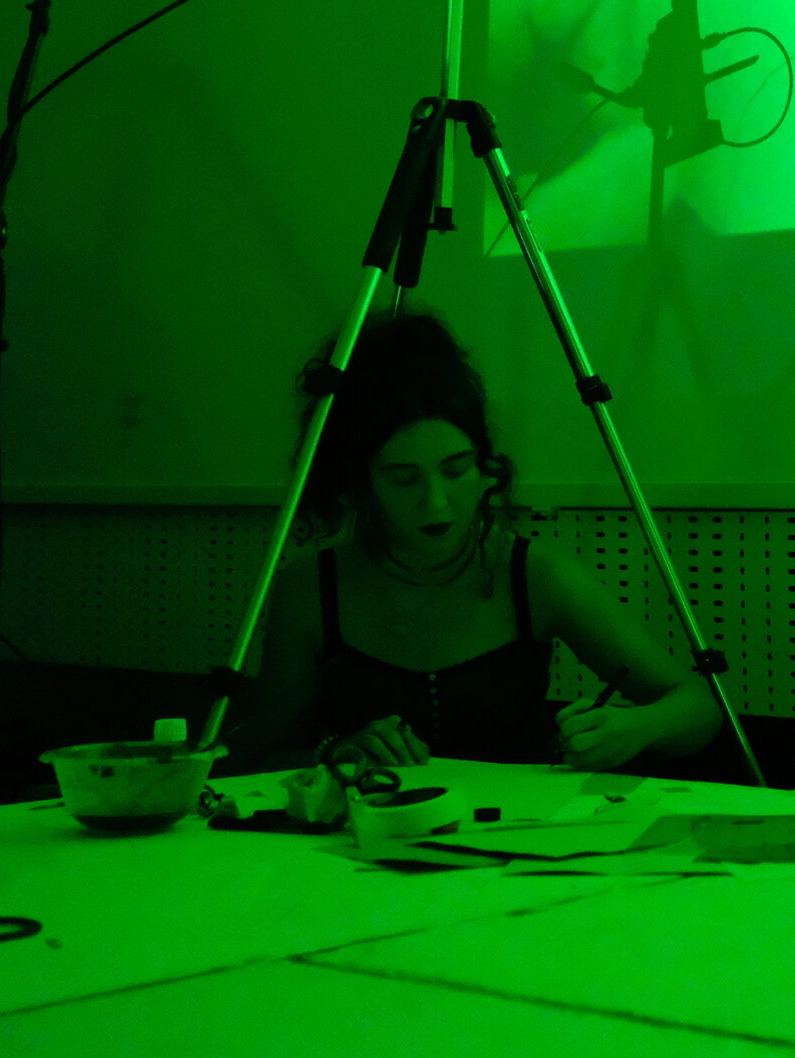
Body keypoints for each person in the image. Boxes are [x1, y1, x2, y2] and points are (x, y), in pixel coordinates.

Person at [215, 304, 723, 777]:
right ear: (357, 484)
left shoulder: (534, 574)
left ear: (485, 469)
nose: (436, 503)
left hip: (520, 836)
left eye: (456, 470)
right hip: (366, 836)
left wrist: (633, 728)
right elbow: (251, 760)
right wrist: (334, 754)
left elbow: (700, 707)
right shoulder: (312, 588)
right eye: (404, 479)